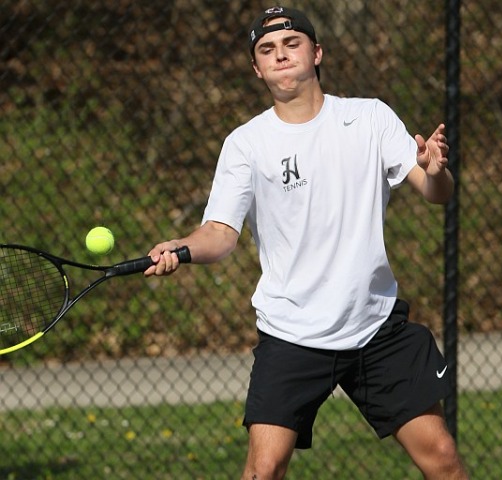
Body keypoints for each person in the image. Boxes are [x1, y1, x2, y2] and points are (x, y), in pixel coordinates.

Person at [145, 6, 468, 480]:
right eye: (267, 50)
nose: (280, 55)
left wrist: (436, 171)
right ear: (257, 68)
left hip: (374, 326)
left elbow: (436, 192)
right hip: (291, 332)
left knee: (442, 457)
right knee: (263, 469)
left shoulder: (369, 118)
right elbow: (220, 234)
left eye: (291, 43)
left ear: (316, 53)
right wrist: (182, 247)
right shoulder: (246, 144)